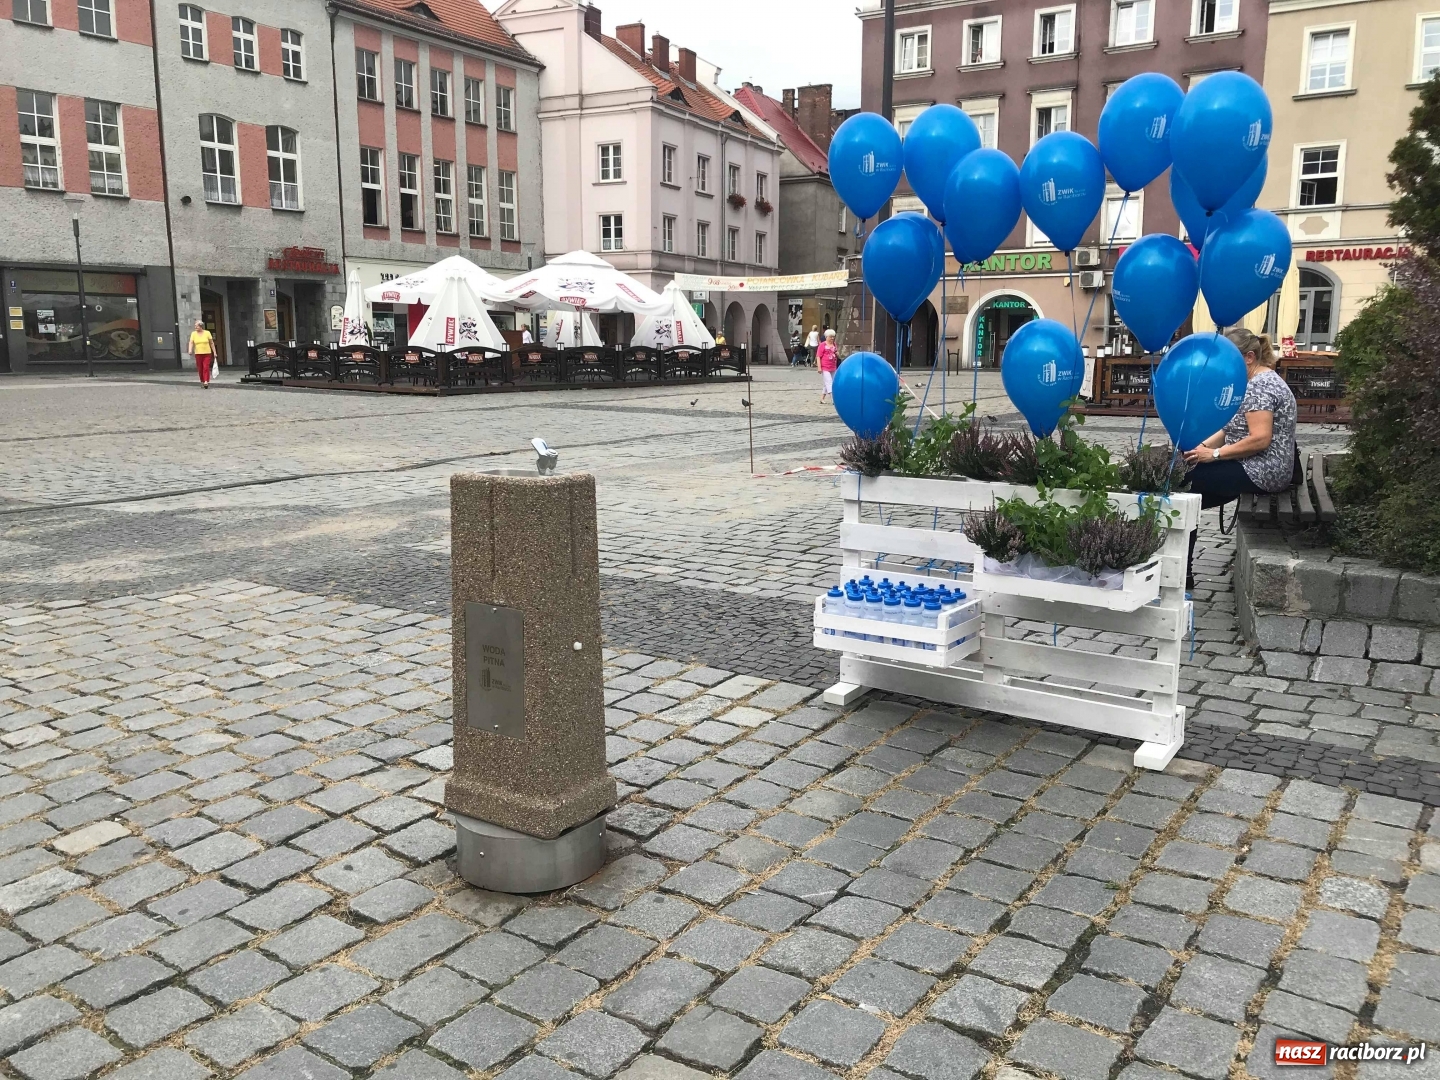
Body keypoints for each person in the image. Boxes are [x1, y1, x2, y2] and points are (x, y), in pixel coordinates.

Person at [1181, 327, 1298, 589]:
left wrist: (1214, 455)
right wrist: (1199, 449)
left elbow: (1260, 439)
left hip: (1264, 469)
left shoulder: (1260, 387)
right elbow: (1229, 430)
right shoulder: (1253, 381)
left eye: (1228, 359)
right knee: (1187, 488)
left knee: (1184, 487)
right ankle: (1180, 572)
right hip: (1253, 464)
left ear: (1248, 358)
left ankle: (1181, 574)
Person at [188, 319, 217, 388]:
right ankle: (202, 381)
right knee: (200, 368)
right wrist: (190, 350)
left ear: (201, 326)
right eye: (195, 326)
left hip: (207, 353)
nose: (195, 327)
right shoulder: (193, 334)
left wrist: (214, 352)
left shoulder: (207, 333)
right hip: (198, 353)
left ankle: (206, 381)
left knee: (206, 367)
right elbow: (191, 342)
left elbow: (211, 343)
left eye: (197, 326)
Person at [818, 328, 839, 402]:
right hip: (825, 367)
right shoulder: (822, 345)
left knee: (828, 383)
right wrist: (819, 367)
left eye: (833, 337)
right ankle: (833, 398)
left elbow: (837, 354)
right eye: (831, 337)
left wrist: (837, 354)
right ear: (827, 337)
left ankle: (822, 398)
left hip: (833, 366)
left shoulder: (834, 344)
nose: (832, 338)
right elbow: (818, 356)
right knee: (829, 382)